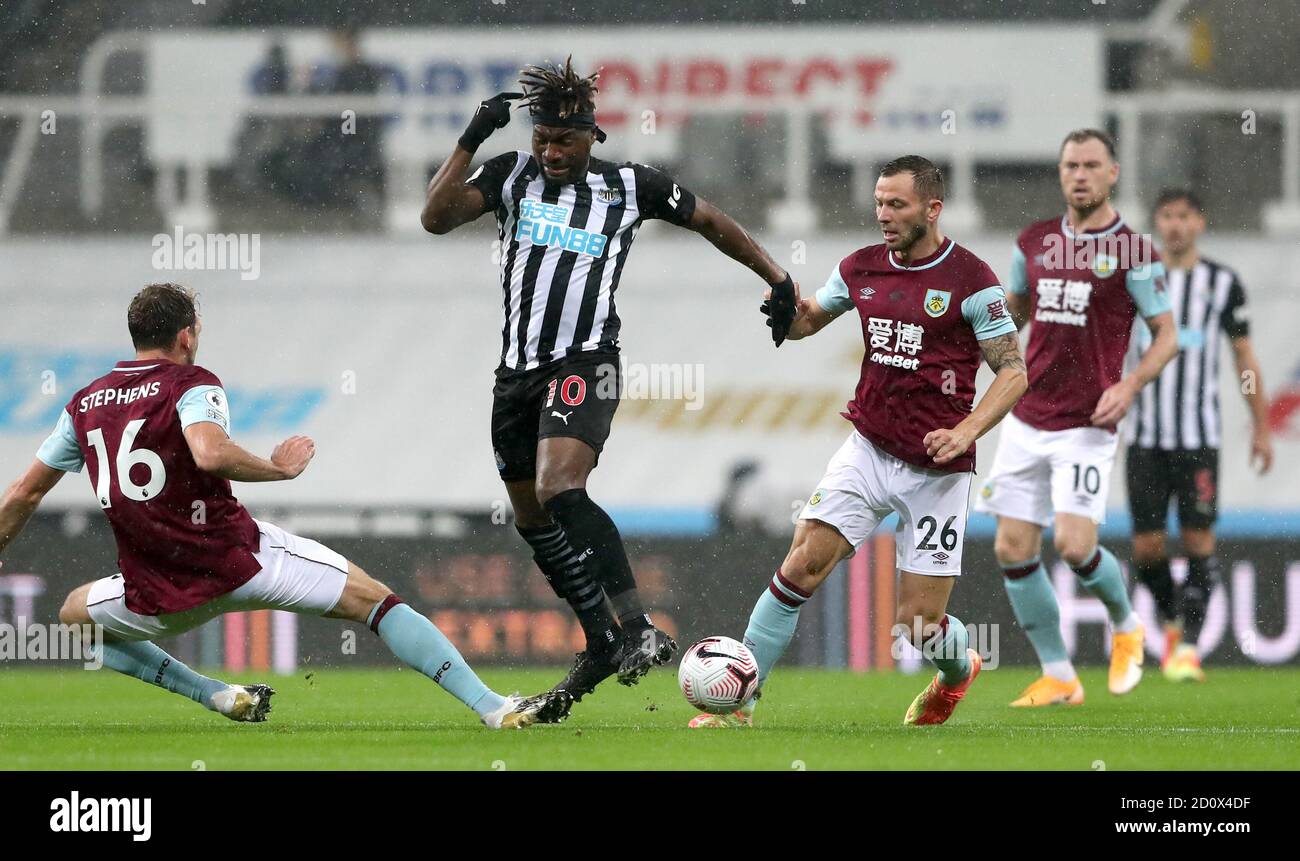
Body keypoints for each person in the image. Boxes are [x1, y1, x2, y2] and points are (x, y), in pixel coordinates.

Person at [0, 283, 570, 730]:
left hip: (156, 594)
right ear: (187, 336)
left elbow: (24, 493)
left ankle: (217, 695)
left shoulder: (84, 404)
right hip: (242, 563)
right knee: (374, 602)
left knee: (76, 616)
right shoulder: (191, 382)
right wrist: (277, 468)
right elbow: (208, 451)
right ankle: (493, 706)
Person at [420, 58, 799, 704]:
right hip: (516, 374)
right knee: (531, 517)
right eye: (541, 138)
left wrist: (778, 279)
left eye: (563, 140)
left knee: (560, 485)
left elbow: (710, 220)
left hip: (585, 362)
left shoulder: (628, 185)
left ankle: (636, 624)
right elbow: (435, 217)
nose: (549, 150)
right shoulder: (510, 174)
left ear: (592, 135)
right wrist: (469, 139)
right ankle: (600, 639)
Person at [691, 155, 1028, 728]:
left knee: (918, 626)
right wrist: (784, 309)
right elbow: (808, 320)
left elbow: (1013, 371)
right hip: (868, 450)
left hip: (938, 471)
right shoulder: (860, 268)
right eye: (878, 203)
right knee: (801, 564)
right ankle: (740, 706)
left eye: (896, 204)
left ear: (932, 208)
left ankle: (956, 671)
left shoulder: (972, 281)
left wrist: (967, 429)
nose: (883, 215)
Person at [975, 129, 1179, 706]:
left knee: (1071, 542)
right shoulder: (1033, 240)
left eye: (1092, 165)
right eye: (1071, 165)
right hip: (1026, 415)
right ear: (1061, 172)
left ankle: (1126, 624)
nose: (1080, 174)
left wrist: (1131, 383)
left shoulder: (1135, 252)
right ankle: (1060, 674)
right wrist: (975, 357)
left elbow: (1167, 335)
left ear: (1114, 172)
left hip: (1087, 423)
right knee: (1012, 547)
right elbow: (1015, 310)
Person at [1126, 189, 1273, 681]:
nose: (1174, 225)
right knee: (1146, 548)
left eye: (1183, 216)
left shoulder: (1222, 283)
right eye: (1166, 216)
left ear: (1200, 223)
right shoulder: (1137, 280)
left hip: (1198, 441)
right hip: (1144, 439)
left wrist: (1261, 424)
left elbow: (1243, 358)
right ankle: (1171, 618)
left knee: (1198, 541)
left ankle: (1187, 648)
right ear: (1157, 223)